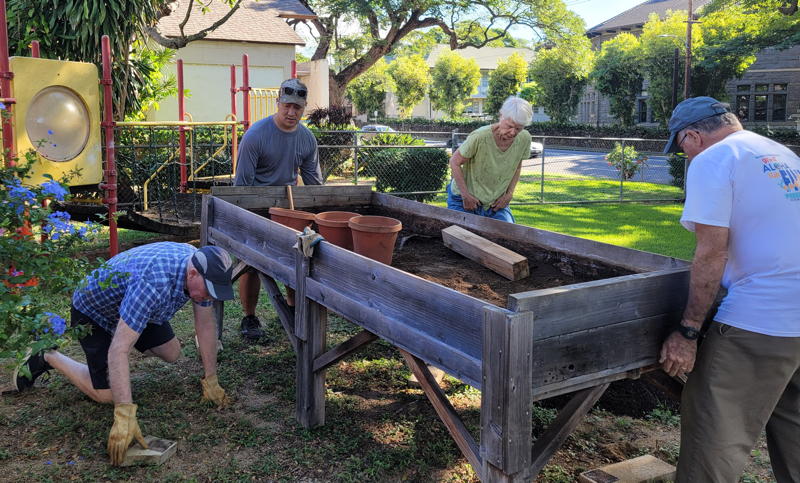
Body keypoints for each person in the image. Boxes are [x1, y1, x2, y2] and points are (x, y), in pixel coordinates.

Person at [659, 97, 800, 482]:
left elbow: (711, 252)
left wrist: (688, 331)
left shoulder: (714, 159)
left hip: (762, 318)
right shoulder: (780, 153)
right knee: (794, 433)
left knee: (714, 432)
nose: (684, 156)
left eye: (682, 146)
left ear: (692, 135)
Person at [13, 242, 236, 465]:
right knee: (106, 395)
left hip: (133, 303)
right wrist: (124, 415)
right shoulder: (152, 283)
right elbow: (119, 350)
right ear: (193, 273)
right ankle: (47, 356)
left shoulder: (198, 266)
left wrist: (211, 378)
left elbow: (205, 324)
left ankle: (127, 334)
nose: (210, 296)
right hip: (94, 311)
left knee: (172, 352)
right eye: (209, 289)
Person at [233, 78, 323, 342]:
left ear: (304, 108)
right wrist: (247, 219)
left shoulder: (307, 139)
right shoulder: (256, 135)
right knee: (249, 265)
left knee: (297, 258)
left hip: (288, 208)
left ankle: (293, 310)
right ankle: (249, 317)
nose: (291, 113)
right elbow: (242, 186)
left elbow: (314, 185)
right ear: (278, 104)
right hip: (256, 206)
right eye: (287, 106)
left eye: (297, 108)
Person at [447, 96, 533, 223]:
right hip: (465, 200)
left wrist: (509, 195)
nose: (513, 132)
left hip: (495, 204)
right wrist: (465, 196)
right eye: (510, 126)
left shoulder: (524, 139)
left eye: (519, 129)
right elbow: (454, 162)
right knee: (462, 237)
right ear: (501, 116)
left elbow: (517, 166)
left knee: (509, 237)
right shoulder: (480, 136)